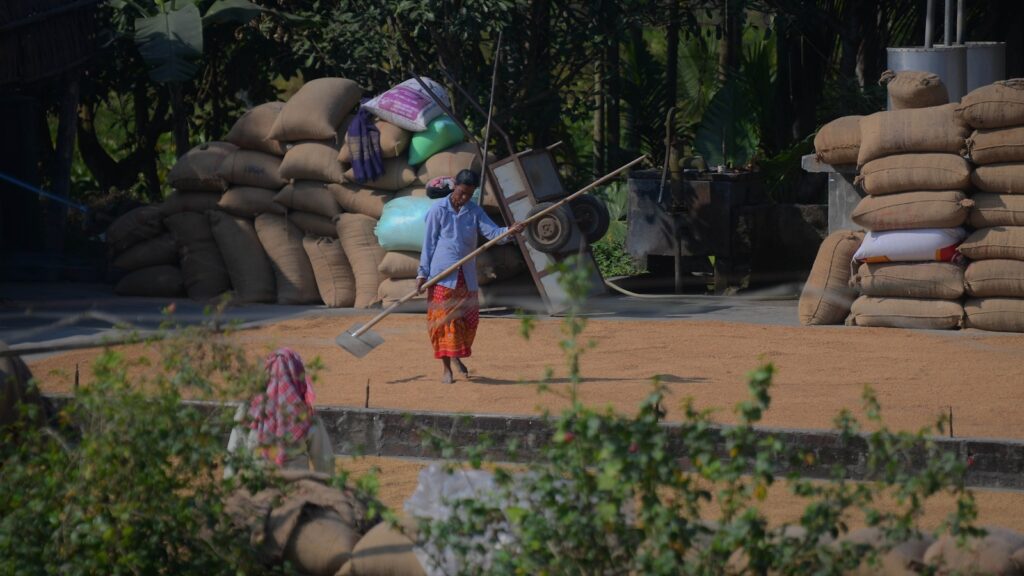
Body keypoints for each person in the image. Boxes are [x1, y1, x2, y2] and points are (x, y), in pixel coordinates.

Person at [417, 169, 526, 383]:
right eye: (461, 192)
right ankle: (447, 368)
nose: (464, 198)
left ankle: (456, 356)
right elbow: (428, 244)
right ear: (455, 185)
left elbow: (494, 234)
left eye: (469, 194)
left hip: (465, 274)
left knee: (467, 320)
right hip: (442, 274)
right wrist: (422, 273)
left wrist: (510, 231)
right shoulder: (438, 210)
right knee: (443, 322)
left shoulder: (474, 211)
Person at [224, 348, 333, 478]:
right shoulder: (306, 415)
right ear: (298, 375)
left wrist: (230, 490)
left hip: (256, 489)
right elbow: (324, 463)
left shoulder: (247, 410)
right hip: (298, 490)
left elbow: (233, 455)